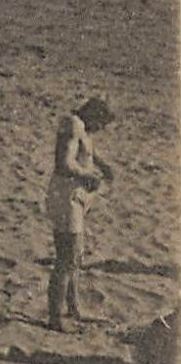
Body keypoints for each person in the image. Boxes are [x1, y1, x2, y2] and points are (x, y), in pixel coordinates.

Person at [46, 97, 115, 331]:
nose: (99, 130)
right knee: (67, 258)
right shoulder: (73, 125)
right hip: (65, 196)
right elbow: (63, 163)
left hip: (74, 197)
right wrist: (88, 175)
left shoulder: (81, 127)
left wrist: (104, 167)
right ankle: (55, 316)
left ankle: (73, 307)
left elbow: (89, 152)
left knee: (74, 257)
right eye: (100, 124)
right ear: (93, 115)